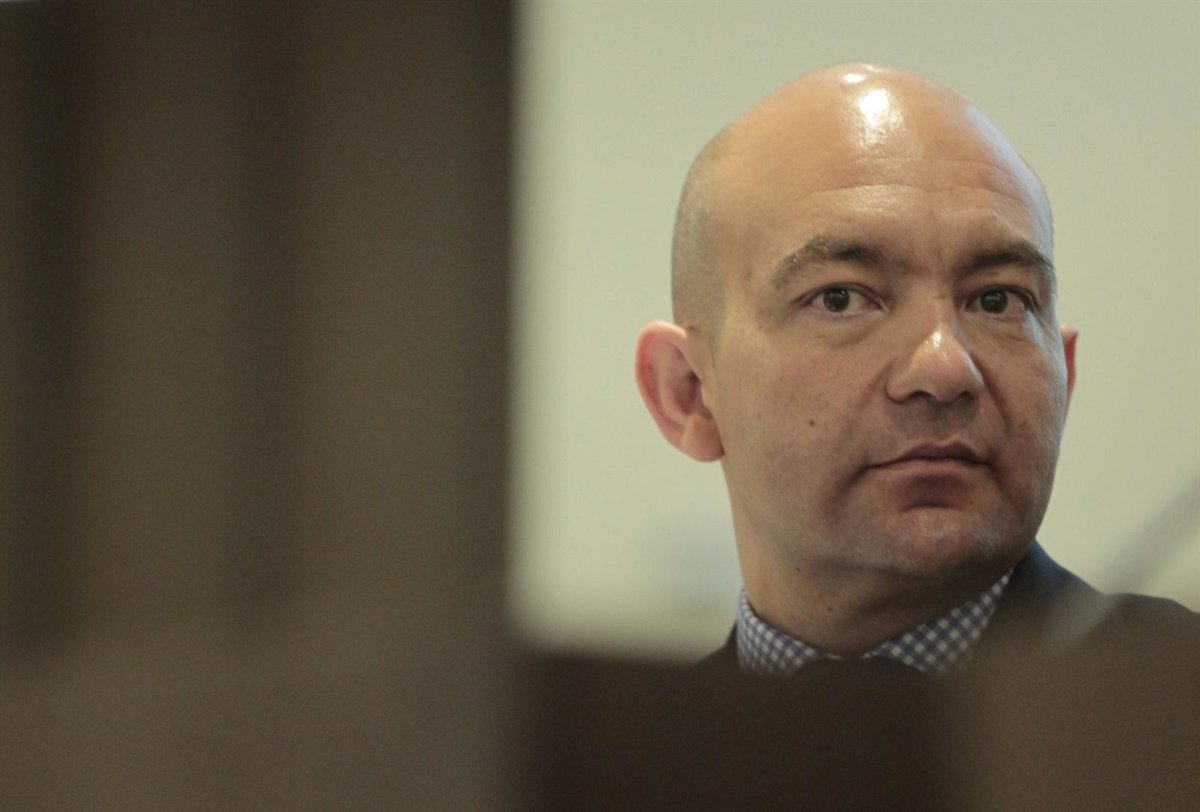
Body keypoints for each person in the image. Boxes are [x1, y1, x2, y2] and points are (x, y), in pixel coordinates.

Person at [634, 63, 1198, 677]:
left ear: (1064, 376)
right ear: (689, 393)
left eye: (997, 300)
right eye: (840, 298)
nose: (945, 367)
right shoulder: (614, 737)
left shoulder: (1172, 702)